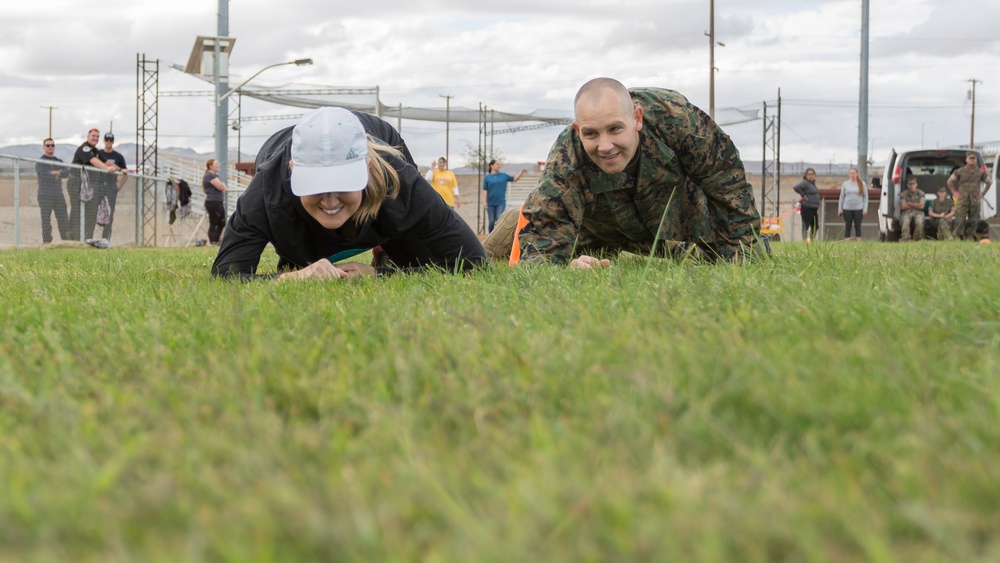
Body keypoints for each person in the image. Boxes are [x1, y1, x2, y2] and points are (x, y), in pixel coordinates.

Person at [484, 78, 764, 268]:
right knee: (484, 257)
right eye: (591, 134)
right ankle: (513, 221)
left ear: (637, 119)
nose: (605, 146)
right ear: (577, 131)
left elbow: (726, 182)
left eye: (615, 129)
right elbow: (542, 253)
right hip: (597, 229)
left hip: (673, 224)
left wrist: (745, 251)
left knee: (714, 259)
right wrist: (565, 267)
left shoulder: (676, 118)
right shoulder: (566, 156)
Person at [211, 107, 486, 280]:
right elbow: (227, 274)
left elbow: (472, 263)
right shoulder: (267, 191)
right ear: (293, 171)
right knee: (303, 262)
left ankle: (384, 248)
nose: (330, 201)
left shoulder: (399, 183)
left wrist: (380, 274)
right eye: (316, 185)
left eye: (344, 183)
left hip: (380, 147)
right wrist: (292, 277)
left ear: (366, 169)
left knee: (419, 261)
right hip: (282, 169)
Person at [67, 128, 120, 240]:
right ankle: (74, 239)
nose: (95, 138)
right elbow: (93, 161)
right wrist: (107, 168)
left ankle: (87, 239)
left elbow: (104, 161)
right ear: (88, 136)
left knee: (91, 212)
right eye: (93, 136)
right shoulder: (84, 148)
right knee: (77, 211)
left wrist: (120, 169)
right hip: (76, 183)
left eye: (97, 136)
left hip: (89, 186)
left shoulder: (95, 151)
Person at [947, 151, 992, 241]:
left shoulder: (980, 172)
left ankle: (970, 237)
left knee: (974, 220)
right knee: (960, 219)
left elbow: (989, 182)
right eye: (970, 158)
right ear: (966, 159)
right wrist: (954, 192)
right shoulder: (959, 171)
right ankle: (957, 237)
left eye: (973, 158)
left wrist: (983, 194)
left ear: (975, 160)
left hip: (975, 200)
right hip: (963, 199)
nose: (972, 160)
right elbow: (950, 181)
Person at [34, 138, 70, 243]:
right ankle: (47, 241)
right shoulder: (41, 161)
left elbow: (67, 171)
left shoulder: (58, 161)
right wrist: (57, 173)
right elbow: (43, 174)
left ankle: (66, 240)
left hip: (58, 194)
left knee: (63, 218)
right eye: (48, 145)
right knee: (46, 219)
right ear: (44, 147)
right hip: (44, 194)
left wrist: (55, 173)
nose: (50, 147)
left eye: (52, 145)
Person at [95, 132, 128, 241]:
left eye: (110, 140)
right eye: (106, 140)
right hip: (98, 186)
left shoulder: (118, 157)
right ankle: (89, 236)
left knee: (110, 212)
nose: (108, 142)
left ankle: (105, 238)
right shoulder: (98, 154)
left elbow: (125, 172)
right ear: (104, 141)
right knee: (94, 210)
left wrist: (119, 186)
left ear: (113, 141)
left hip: (111, 187)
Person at [482, 160, 527, 233]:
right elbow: (485, 189)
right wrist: (484, 201)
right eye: (497, 164)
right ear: (492, 166)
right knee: (491, 221)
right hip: (490, 203)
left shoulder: (504, 176)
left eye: (499, 164)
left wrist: (521, 172)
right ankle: (490, 236)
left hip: (501, 202)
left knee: (498, 219)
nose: (499, 166)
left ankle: (497, 236)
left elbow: (514, 179)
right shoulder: (487, 177)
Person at [837, 166, 867, 242]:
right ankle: (847, 241)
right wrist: (840, 209)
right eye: (850, 173)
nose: (852, 175)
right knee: (848, 226)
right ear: (848, 174)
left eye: (854, 173)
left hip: (858, 208)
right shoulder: (845, 184)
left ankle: (858, 242)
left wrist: (865, 209)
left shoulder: (862, 184)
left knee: (858, 226)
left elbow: (865, 197)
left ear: (857, 174)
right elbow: (842, 197)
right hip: (847, 208)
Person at [203, 159, 227, 245]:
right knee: (214, 222)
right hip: (213, 202)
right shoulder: (210, 176)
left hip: (218, 201)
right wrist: (223, 185)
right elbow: (221, 187)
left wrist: (223, 186)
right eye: (216, 164)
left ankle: (216, 240)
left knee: (222, 222)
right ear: (211, 166)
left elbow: (223, 187)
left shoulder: (214, 176)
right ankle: (213, 241)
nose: (218, 165)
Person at [793, 167, 820, 243]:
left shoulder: (812, 184)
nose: (810, 176)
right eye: (809, 174)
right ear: (806, 175)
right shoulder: (805, 183)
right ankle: (805, 241)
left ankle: (811, 240)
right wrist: (803, 195)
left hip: (814, 208)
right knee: (806, 225)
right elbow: (796, 187)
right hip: (807, 207)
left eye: (812, 174)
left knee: (815, 226)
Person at [897, 177, 926, 242]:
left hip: (918, 212)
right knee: (905, 221)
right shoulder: (903, 194)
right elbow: (902, 206)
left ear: (916, 184)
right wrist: (916, 204)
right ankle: (905, 238)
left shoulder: (921, 193)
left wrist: (909, 203)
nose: (912, 186)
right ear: (907, 185)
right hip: (906, 212)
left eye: (913, 184)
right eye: (910, 184)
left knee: (919, 222)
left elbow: (921, 206)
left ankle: (916, 239)